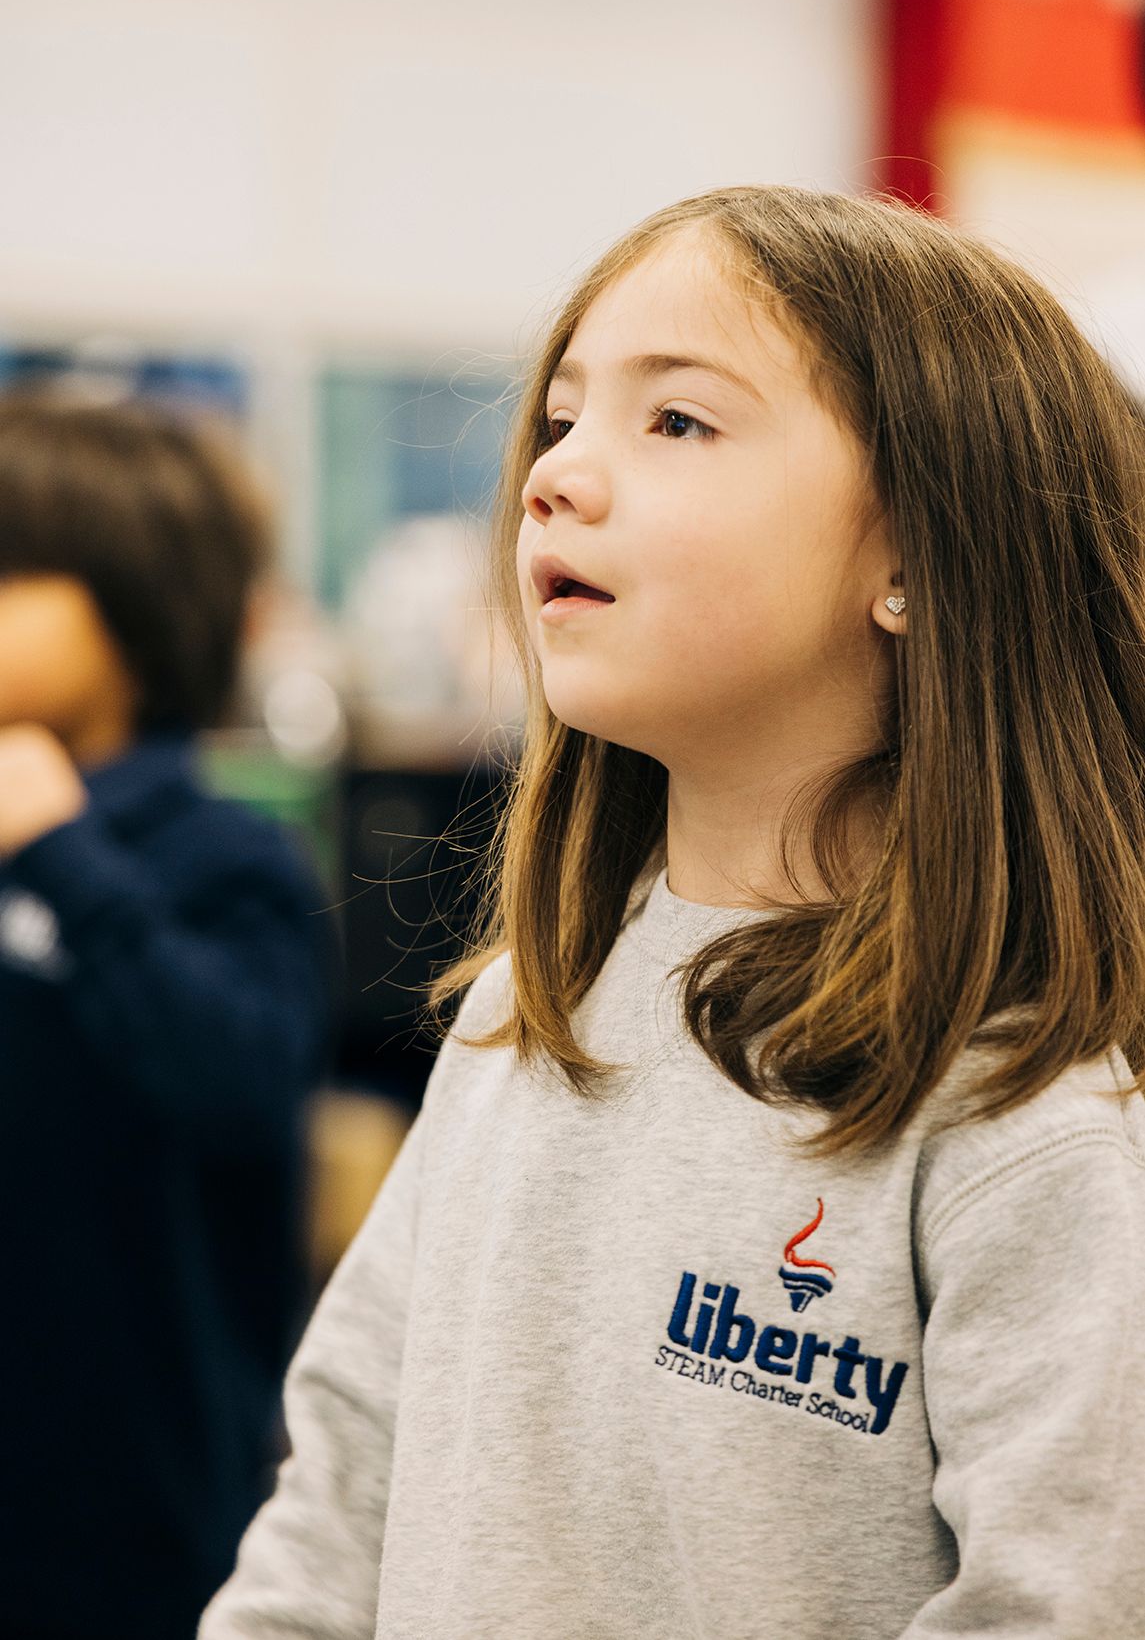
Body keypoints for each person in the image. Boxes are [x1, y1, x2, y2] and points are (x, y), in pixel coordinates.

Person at [200, 186, 1145, 1639]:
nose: (553, 476)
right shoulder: (528, 1010)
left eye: (677, 421)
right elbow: (336, 1503)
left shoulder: (1024, 1109)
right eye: (563, 418)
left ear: (913, 552)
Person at [0, 395, 333, 1640]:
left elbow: (239, 1079)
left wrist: (64, 854)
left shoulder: (223, 857)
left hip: (133, 1496)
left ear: (137, 604)